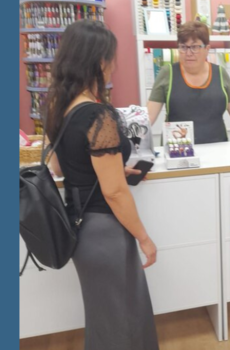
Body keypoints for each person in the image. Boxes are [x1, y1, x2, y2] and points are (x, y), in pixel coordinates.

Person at [45, 20, 159, 350]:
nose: (114, 66)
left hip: (79, 226)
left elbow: (59, 166)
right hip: (105, 229)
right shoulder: (98, 115)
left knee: (105, 317)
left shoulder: (57, 106)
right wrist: (144, 238)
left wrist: (111, 168)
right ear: (98, 61)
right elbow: (114, 192)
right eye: (111, 58)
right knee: (125, 318)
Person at [147, 21, 230, 144]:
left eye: (195, 47)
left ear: (207, 48)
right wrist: (135, 141)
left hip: (217, 147)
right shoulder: (167, 73)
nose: (188, 53)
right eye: (183, 47)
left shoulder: (219, 73)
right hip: (178, 148)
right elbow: (149, 116)